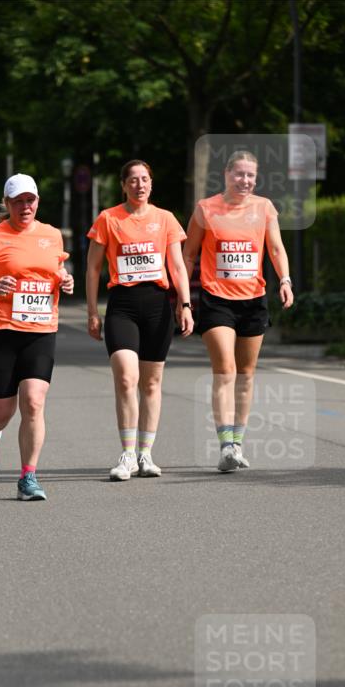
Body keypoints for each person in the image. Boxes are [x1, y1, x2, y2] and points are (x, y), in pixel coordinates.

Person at [0, 173, 73, 500]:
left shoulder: (52, 235)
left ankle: (28, 477)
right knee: (2, 411)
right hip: (0, 330)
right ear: (7, 204)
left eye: (31, 200)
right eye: (19, 201)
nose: (26, 206)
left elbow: (56, 271)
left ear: (37, 202)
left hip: (40, 329)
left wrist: (64, 281)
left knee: (34, 402)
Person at [183, 150, 294, 472]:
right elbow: (188, 255)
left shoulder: (264, 208)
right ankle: (225, 444)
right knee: (226, 369)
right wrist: (183, 298)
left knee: (246, 375)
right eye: (239, 174)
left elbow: (275, 248)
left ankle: (238, 443)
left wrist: (285, 280)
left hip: (253, 299)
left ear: (255, 179)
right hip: (216, 299)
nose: (244, 180)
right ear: (226, 175)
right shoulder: (206, 209)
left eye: (250, 176)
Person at [86, 159, 193, 480]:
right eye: (133, 180)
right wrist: (92, 311)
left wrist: (184, 304)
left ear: (151, 183)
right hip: (123, 304)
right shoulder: (108, 219)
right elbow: (92, 268)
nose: (139, 185)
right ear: (123, 185)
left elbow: (176, 266)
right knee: (125, 377)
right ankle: (128, 454)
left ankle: (146, 454)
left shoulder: (165, 219)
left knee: (151, 382)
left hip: (158, 305)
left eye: (145, 179)